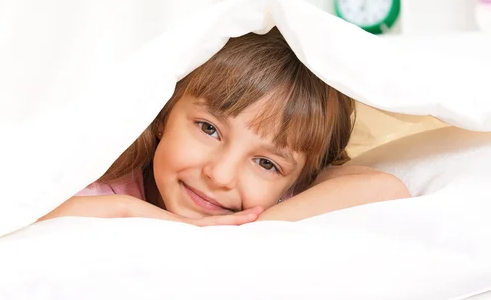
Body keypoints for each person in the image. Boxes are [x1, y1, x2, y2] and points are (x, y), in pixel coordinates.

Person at [40, 27, 410, 225]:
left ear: (295, 182)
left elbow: (385, 189)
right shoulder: (110, 179)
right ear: (164, 114)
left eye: (266, 163)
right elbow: (16, 215)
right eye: (208, 129)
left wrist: (248, 231)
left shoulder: (271, 205)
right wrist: (130, 211)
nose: (220, 175)